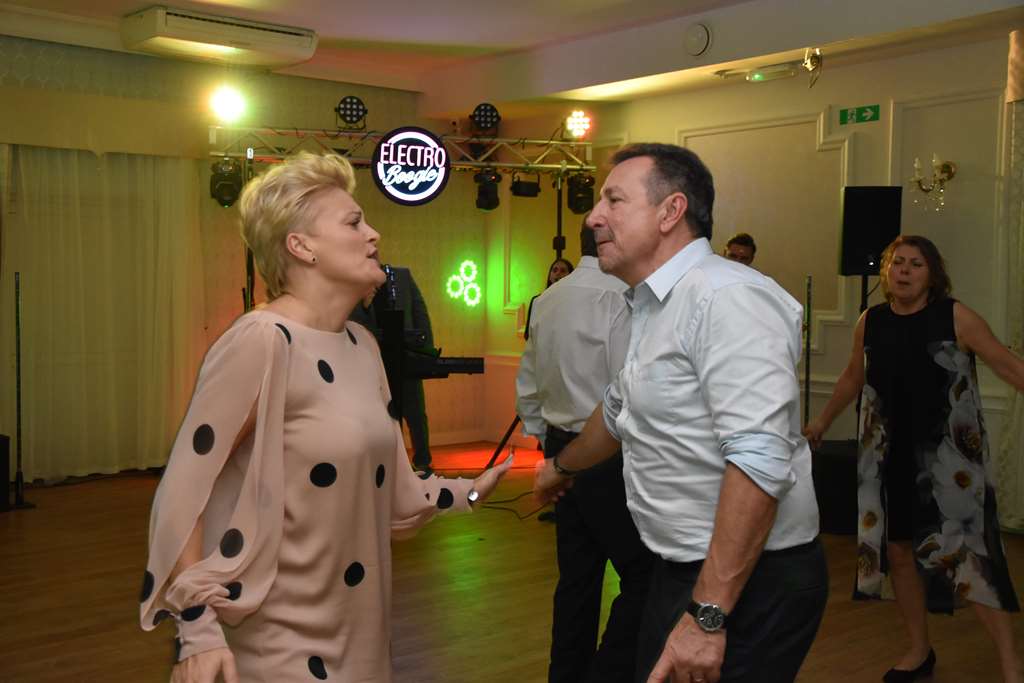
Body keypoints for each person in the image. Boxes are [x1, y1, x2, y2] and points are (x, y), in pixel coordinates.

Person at [139, 152, 511, 683]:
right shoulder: (262, 342)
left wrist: (471, 491)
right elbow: (184, 489)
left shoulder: (362, 345)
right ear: (301, 246)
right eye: (354, 222)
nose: (374, 234)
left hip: (362, 629)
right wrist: (196, 629)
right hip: (277, 635)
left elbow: (395, 489)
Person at [533, 143, 827, 683]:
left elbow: (760, 460)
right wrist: (562, 467)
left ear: (671, 211)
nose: (593, 217)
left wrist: (708, 616)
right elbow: (619, 409)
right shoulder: (654, 303)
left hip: (749, 580)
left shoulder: (727, 297)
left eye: (614, 200)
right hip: (682, 570)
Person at [804, 234, 1023, 683]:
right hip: (888, 457)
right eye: (897, 262)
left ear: (932, 275)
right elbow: (852, 377)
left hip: (949, 463)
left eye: (915, 264)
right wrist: (822, 421)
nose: (904, 270)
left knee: (971, 557)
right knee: (900, 552)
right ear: (887, 271)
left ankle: (1011, 665)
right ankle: (919, 650)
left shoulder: (955, 316)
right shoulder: (871, 320)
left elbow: (1007, 364)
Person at [517, 218, 654, 683]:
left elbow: (528, 381)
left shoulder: (547, 299)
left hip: (560, 444)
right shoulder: (622, 297)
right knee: (643, 575)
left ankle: (566, 675)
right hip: (606, 448)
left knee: (577, 579)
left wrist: (549, 450)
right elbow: (626, 390)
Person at [349, 266, 436, 474]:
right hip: (372, 360)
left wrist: (426, 352)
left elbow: (420, 312)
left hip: (406, 357)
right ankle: (392, 465)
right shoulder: (354, 280)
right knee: (384, 416)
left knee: (415, 413)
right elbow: (353, 320)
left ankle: (423, 462)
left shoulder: (402, 275)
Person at [524, 257, 575, 342]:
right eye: (554, 270)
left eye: (563, 271)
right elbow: (528, 334)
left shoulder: (574, 301)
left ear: (570, 276)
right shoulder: (537, 300)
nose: (558, 273)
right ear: (550, 276)